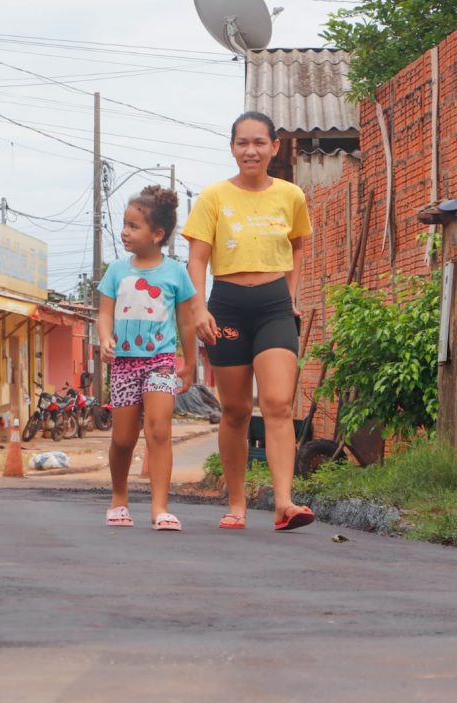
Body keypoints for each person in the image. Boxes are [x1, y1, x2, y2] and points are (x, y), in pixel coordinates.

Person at [181, 110, 315, 532]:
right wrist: (199, 309)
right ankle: (236, 504)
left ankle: (284, 503)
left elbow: (298, 247)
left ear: (275, 147)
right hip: (228, 304)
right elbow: (197, 258)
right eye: (243, 143)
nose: (251, 150)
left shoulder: (291, 195)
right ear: (232, 148)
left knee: (277, 404)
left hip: (275, 305)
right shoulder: (213, 197)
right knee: (236, 410)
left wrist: (291, 294)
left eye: (260, 142)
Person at [98, 185, 197, 531]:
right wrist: (105, 338)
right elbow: (105, 314)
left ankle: (160, 508)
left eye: (133, 226)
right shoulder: (116, 272)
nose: (125, 232)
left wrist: (191, 364)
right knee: (123, 439)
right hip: (124, 363)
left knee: (159, 431)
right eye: (124, 224)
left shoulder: (176, 273)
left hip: (161, 362)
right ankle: (119, 499)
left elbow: (186, 321)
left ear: (157, 234)